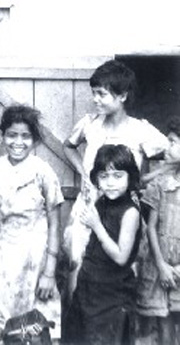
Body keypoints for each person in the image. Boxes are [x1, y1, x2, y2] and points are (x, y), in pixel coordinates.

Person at [63, 59, 167, 289]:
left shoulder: (140, 130)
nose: (95, 99)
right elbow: (68, 146)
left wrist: (142, 181)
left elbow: (171, 155)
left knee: (121, 269)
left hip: (122, 212)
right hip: (89, 207)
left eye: (102, 94)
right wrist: (83, 172)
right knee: (77, 264)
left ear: (123, 96)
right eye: (94, 93)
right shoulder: (89, 124)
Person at [0, 104, 63, 340]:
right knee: (5, 318)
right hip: (6, 257)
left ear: (35, 140)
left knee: (40, 322)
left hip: (37, 256)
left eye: (25, 136)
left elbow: (54, 223)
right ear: (3, 136)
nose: (17, 142)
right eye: (11, 135)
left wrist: (49, 272)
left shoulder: (42, 171)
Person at [63, 144, 142, 345]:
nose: (110, 183)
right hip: (90, 288)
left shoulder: (130, 212)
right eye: (104, 177)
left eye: (117, 176)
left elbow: (121, 256)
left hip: (113, 295)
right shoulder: (102, 203)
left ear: (130, 177)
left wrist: (97, 226)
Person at [137, 116, 180, 344]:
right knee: (163, 322)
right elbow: (151, 227)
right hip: (160, 265)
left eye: (173, 142)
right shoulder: (161, 185)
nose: (168, 146)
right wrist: (162, 265)